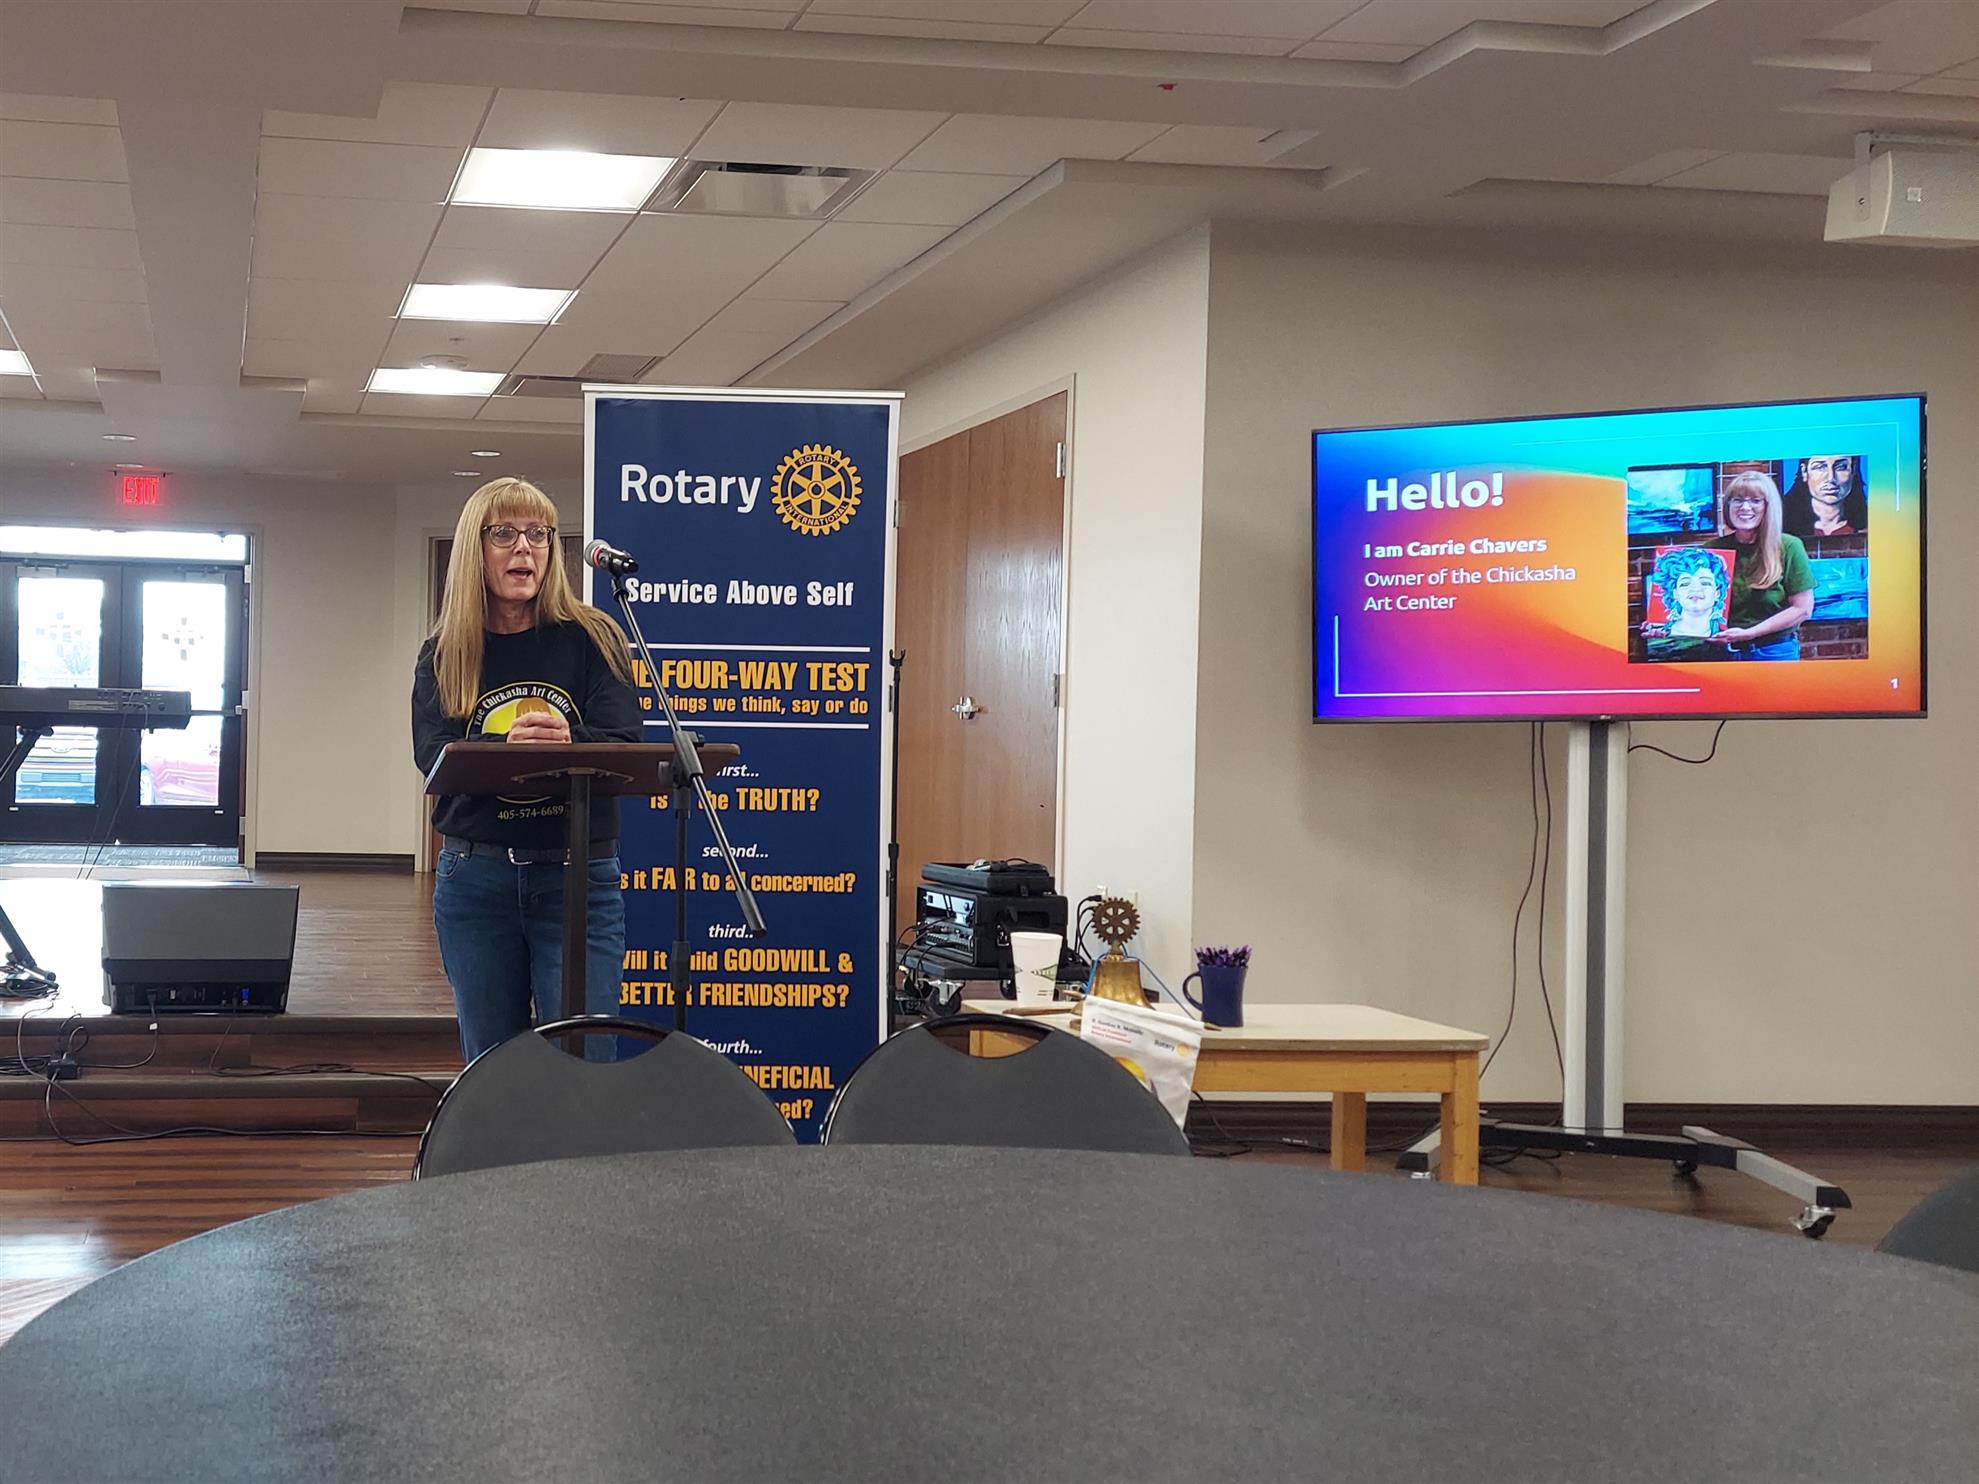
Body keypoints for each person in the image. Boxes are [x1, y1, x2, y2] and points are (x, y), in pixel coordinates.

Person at [412, 477, 642, 1061]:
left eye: (539, 534)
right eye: (505, 534)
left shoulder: (595, 639)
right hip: (477, 881)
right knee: (494, 1069)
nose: (524, 547)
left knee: (585, 1065)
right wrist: (505, 746)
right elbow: (433, 758)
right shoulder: (444, 653)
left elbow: (623, 743)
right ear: (474, 549)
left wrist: (568, 741)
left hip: (577, 879)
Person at [1707, 471, 1813, 661]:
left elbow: (1802, 609)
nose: (1745, 507)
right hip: (1720, 653)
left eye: (1755, 500)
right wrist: (1662, 626)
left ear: (1768, 507)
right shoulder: (1711, 550)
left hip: (1773, 652)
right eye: (1737, 500)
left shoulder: (1789, 546)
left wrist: (1750, 633)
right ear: (1728, 505)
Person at [1639, 545, 1729, 660]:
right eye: (1685, 584)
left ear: (1718, 593)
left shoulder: (1726, 635)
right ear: (1675, 593)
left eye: (1705, 583)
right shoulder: (1658, 634)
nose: (1695, 589)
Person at [1782, 454, 1867, 539]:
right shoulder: (1782, 529)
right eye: (1820, 467)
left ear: (1853, 471)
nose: (1831, 478)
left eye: (1840, 467)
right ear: (1804, 472)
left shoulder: (1870, 525)